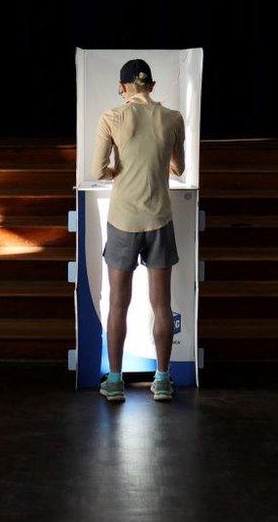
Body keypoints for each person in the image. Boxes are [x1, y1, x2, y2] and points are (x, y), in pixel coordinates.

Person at [92, 59, 185, 402]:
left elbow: (98, 170)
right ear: (152, 85)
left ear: (123, 87)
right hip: (160, 218)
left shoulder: (112, 118)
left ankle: (115, 382)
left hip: (123, 221)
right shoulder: (173, 118)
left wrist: (119, 169)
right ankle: (162, 381)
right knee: (161, 304)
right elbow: (179, 167)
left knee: (118, 303)